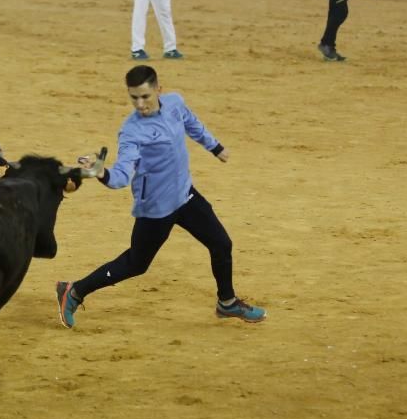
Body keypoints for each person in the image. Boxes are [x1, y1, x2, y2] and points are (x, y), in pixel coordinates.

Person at [55, 64, 267, 329]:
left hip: (185, 194)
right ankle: (74, 291)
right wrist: (101, 172)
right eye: (134, 97)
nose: (140, 104)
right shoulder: (132, 131)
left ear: (159, 89)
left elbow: (192, 123)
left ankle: (227, 302)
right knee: (136, 263)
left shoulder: (175, 102)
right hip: (156, 208)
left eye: (145, 96)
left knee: (221, 244)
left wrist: (215, 147)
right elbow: (121, 175)